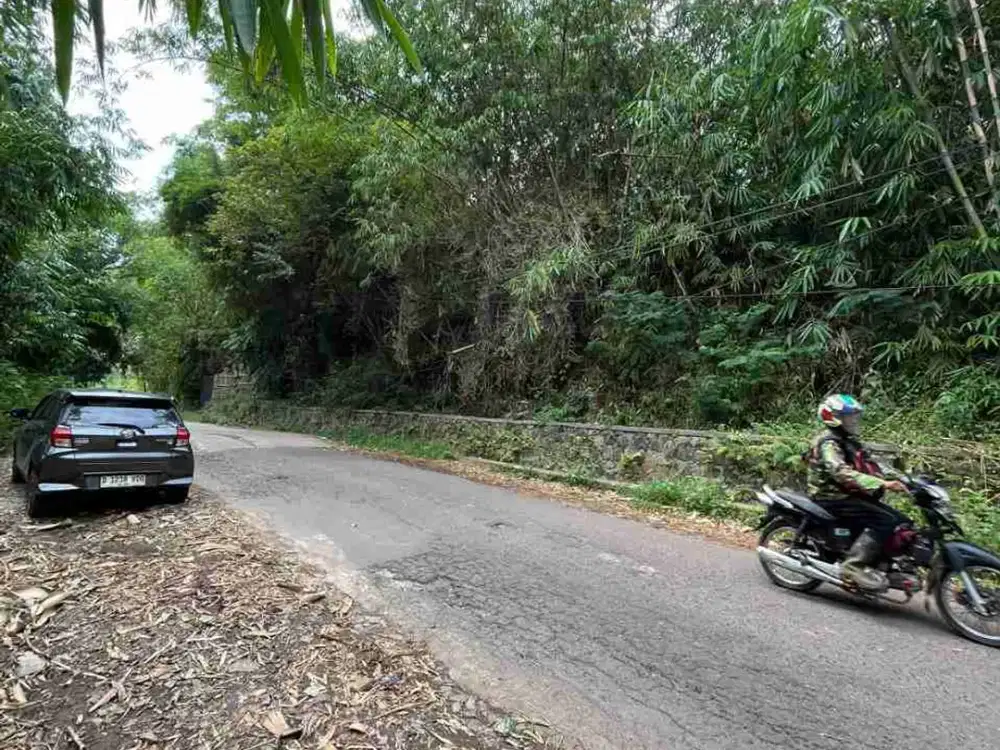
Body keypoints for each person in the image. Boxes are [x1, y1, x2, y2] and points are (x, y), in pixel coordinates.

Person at [805, 394, 909, 592]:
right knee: (885, 521)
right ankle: (853, 566)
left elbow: (874, 465)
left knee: (899, 520)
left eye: (854, 416)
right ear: (832, 417)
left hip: (849, 494)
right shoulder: (829, 443)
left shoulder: (849, 440)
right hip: (831, 497)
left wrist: (906, 479)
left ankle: (878, 564)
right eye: (848, 416)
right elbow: (841, 472)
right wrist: (883, 484)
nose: (853, 420)